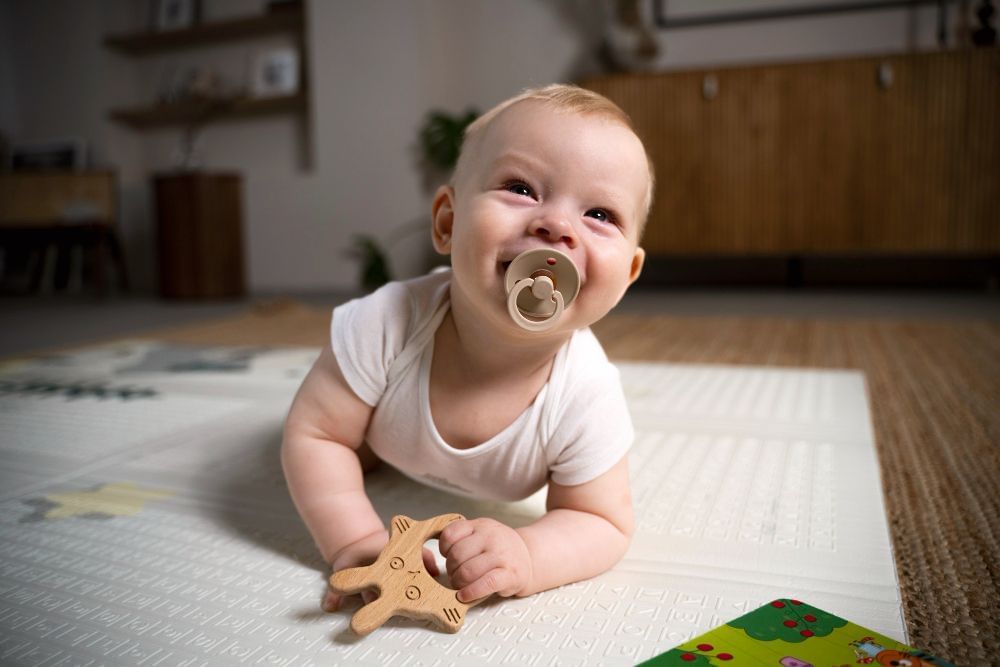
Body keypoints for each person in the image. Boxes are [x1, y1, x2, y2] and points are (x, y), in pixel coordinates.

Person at [281, 83, 653, 613]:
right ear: (448, 223)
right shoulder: (385, 323)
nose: (558, 225)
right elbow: (315, 435)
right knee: (342, 431)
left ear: (628, 276)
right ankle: (365, 439)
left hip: (418, 443)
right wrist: (355, 541)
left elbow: (602, 522)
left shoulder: (586, 393)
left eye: (600, 214)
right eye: (522, 188)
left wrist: (527, 553)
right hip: (380, 436)